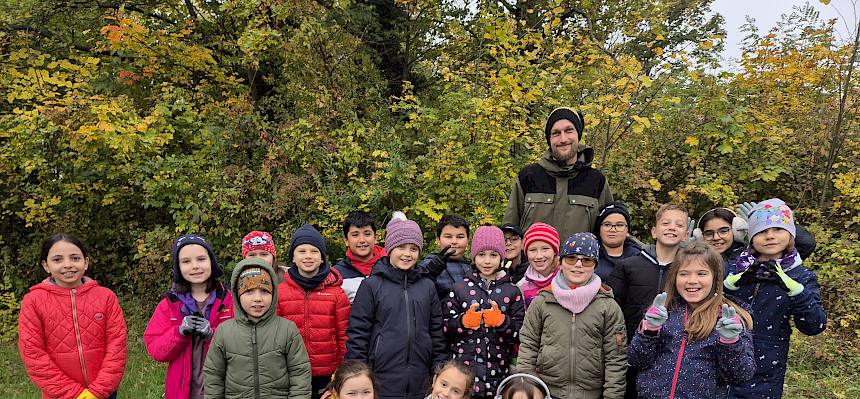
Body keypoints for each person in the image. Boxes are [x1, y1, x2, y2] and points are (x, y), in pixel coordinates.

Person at [723, 199, 827, 398]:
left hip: (763, 374)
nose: (769, 236)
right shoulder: (733, 267)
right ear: (752, 237)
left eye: (778, 229)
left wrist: (796, 291)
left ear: (790, 235)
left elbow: (815, 326)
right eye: (761, 231)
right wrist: (728, 286)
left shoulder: (801, 276)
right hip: (719, 363)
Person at [628, 240, 756, 399]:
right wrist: (648, 331)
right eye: (684, 273)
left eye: (701, 273)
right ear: (674, 277)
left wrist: (731, 343)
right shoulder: (663, 311)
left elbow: (740, 375)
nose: (692, 281)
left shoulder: (729, 318)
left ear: (715, 277)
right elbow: (636, 361)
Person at [346, 213, 447, 399]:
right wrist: (358, 375)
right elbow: (358, 334)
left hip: (420, 379)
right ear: (390, 248)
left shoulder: (427, 286)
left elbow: (436, 333)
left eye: (413, 249)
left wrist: (438, 369)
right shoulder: (372, 285)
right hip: (381, 379)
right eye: (401, 247)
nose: (407, 254)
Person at [518, 232, 627, 399]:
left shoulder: (608, 306)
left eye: (586, 260)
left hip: (592, 393)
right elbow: (528, 346)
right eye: (571, 258)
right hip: (547, 391)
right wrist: (527, 388)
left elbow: (616, 359)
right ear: (561, 262)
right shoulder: (543, 301)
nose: (578, 265)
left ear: (595, 265)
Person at [18, 233, 127, 399]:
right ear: (46, 265)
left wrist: (98, 391)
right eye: (57, 260)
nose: (67, 265)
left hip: (103, 392)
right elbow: (33, 354)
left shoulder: (106, 297)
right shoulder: (33, 301)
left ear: (86, 262)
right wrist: (74, 393)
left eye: (75, 258)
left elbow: (117, 346)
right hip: (59, 394)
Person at [606, 203, 689, 399]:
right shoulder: (627, 266)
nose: (671, 228)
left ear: (686, 234)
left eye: (679, 225)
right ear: (654, 231)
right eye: (666, 223)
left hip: (671, 354)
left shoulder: (688, 271)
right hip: (629, 352)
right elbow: (611, 309)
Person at [203, 258, 312, 398]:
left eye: (264, 292)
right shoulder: (224, 332)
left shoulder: (287, 329)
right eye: (249, 292)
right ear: (237, 295)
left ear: (273, 294)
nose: (257, 298)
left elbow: (300, 372)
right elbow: (213, 375)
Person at [503, 107, 613, 241]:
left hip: (579, 262)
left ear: (578, 135)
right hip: (532, 262)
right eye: (556, 133)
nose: (563, 139)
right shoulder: (529, 176)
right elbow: (510, 231)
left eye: (569, 130)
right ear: (549, 140)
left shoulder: (596, 181)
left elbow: (611, 234)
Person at [144, 234, 234, 399]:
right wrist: (179, 333)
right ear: (178, 267)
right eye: (186, 261)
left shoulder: (229, 301)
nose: (195, 266)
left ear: (211, 262)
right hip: (182, 391)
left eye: (201, 259)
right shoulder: (169, 304)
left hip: (223, 389)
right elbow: (155, 349)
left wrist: (213, 335)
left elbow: (242, 344)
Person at [442, 226, 525, 398]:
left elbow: (521, 332)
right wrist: (463, 322)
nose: (487, 261)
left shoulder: (512, 290)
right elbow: (445, 328)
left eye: (493, 255)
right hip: (464, 373)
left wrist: (502, 322)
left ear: (501, 257)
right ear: (474, 256)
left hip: (497, 373)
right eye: (481, 255)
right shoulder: (460, 287)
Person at [277, 224, 351, 399]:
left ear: (322, 257)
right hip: (291, 374)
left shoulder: (336, 293)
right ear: (293, 257)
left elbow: (345, 337)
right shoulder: (280, 293)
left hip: (327, 377)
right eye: (302, 251)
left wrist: (341, 374)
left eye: (314, 251)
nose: (308, 256)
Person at [334, 211, 387, 303]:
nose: (362, 240)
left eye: (367, 234)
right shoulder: (337, 275)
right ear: (346, 240)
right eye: (355, 235)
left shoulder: (390, 267)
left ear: (375, 238)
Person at [418, 215, 472, 300]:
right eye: (448, 237)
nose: (454, 242)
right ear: (438, 240)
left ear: (468, 240)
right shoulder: (428, 266)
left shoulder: (472, 267)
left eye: (460, 237)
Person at [593, 202, 641, 280]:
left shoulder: (639, 257)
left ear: (627, 229)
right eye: (607, 225)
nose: (613, 230)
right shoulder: (588, 256)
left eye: (619, 225)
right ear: (599, 228)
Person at [517, 223, 561, 307]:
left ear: (555, 251)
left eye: (545, 249)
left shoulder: (567, 278)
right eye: (533, 250)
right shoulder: (522, 286)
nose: (539, 256)